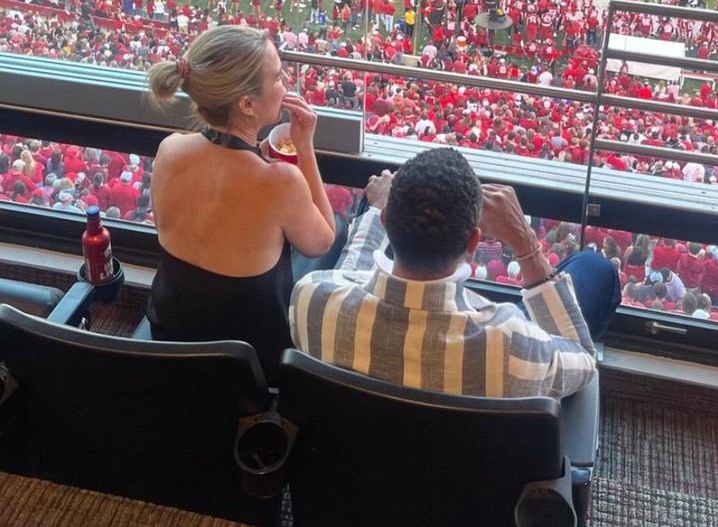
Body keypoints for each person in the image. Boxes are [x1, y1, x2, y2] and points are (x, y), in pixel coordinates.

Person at [291, 148, 619, 399]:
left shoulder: (311, 300)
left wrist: (375, 210)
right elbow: (583, 359)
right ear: (473, 241)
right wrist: (526, 242)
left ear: (386, 221)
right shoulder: (513, 345)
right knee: (596, 269)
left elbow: (352, 276)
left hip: (345, 481)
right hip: (465, 486)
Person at [145, 25, 336, 383]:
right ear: (247, 104)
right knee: (335, 231)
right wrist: (304, 145)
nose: (287, 82)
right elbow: (322, 242)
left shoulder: (169, 149)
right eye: (278, 76)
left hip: (169, 339)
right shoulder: (280, 182)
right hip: (248, 367)